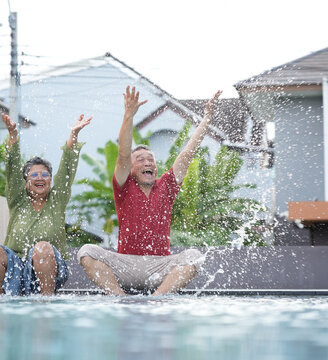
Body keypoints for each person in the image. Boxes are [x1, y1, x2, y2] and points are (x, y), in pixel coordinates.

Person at [77, 85, 222, 295]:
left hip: (160, 267)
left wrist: (207, 118)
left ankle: (157, 298)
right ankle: (120, 297)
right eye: (141, 160)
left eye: (151, 160)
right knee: (86, 252)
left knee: (194, 256)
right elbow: (124, 154)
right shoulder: (124, 187)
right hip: (126, 265)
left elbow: (188, 152)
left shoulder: (167, 185)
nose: (148, 162)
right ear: (132, 169)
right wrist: (128, 115)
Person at [0, 112, 91, 295]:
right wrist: (13, 137)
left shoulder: (57, 199)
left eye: (45, 174)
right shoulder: (18, 200)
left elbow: (66, 168)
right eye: (34, 174)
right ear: (26, 183)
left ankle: (46, 302)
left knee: (42, 248)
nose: (40, 178)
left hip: (52, 268)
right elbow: (12, 168)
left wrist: (74, 135)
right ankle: (0, 301)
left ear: (50, 180)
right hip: (16, 269)